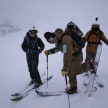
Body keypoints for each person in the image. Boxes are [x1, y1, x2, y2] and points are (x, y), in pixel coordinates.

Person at [44, 23, 91, 94]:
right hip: (71, 56)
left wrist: (65, 68)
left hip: (76, 56)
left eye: (51, 39)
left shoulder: (66, 39)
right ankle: (73, 88)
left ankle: (89, 65)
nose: (52, 41)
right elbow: (59, 48)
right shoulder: (59, 40)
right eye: (50, 41)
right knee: (70, 72)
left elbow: (67, 54)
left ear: (54, 35)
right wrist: (49, 52)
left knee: (75, 71)